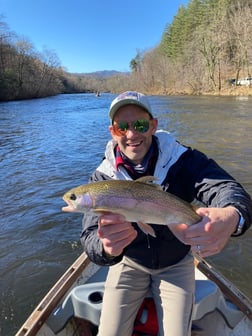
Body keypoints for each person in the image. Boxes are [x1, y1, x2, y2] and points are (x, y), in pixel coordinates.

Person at [80, 91, 252, 336]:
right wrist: (106, 248)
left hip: (177, 263)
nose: (131, 134)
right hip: (129, 262)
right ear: (113, 132)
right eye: (122, 128)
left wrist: (233, 215)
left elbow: (225, 187)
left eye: (139, 124)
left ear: (153, 125)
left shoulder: (183, 160)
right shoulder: (102, 178)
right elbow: (89, 237)